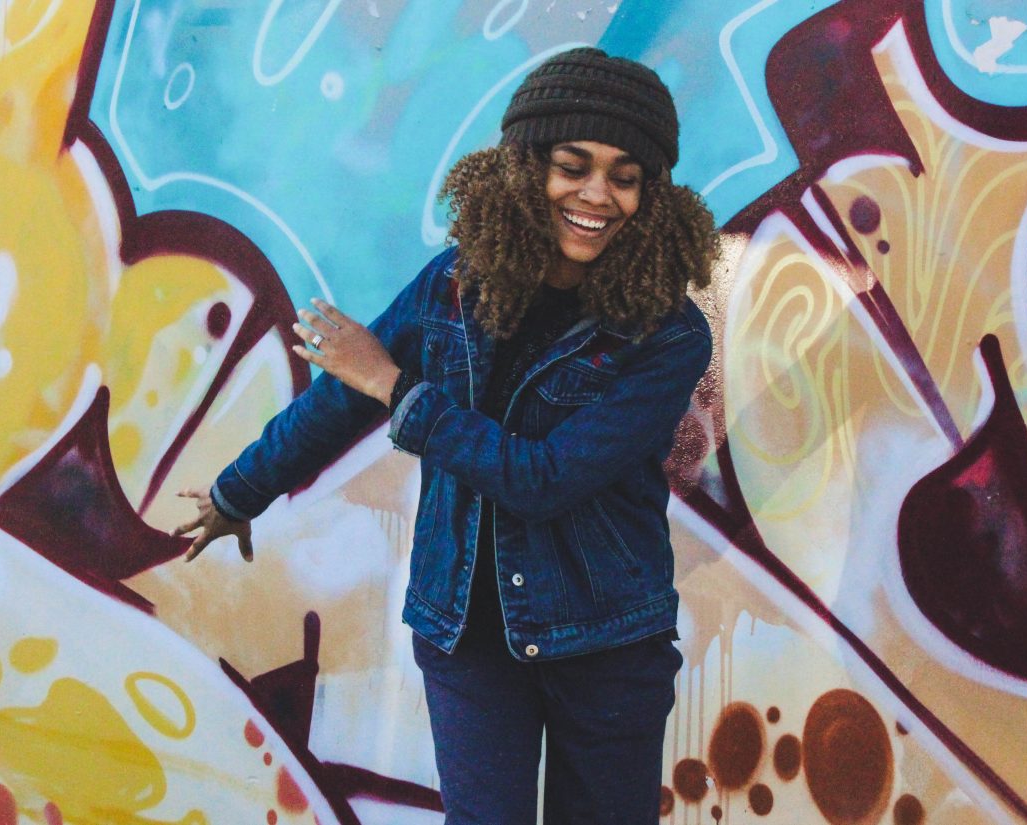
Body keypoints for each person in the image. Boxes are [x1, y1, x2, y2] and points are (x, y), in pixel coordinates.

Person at [173, 47, 717, 824]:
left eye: (625, 176)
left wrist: (397, 388)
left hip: (606, 641)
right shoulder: (454, 285)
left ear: (653, 195)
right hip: (468, 636)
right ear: (525, 167)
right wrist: (239, 491)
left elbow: (544, 477)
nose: (597, 194)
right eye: (573, 165)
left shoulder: (668, 335)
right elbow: (339, 400)